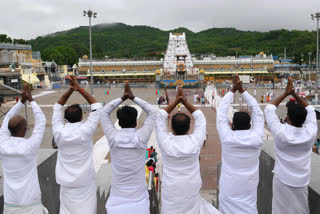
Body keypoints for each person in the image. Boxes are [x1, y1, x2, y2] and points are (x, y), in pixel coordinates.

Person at [156, 87, 220, 214]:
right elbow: (200, 117)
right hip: (190, 190)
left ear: (171, 128)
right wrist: (184, 102)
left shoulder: (166, 142)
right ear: (189, 127)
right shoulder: (195, 142)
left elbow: (160, 116)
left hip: (171, 191)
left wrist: (175, 102)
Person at [100, 82, 157, 214]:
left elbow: (103, 113)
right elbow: (153, 111)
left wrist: (122, 98)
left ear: (118, 123)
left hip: (116, 201)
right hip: (139, 201)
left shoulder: (113, 138)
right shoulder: (141, 138)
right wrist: (133, 97)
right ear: (136, 122)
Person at [264, 76, 317, 214]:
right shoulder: (310, 133)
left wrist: (286, 94)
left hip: (282, 179)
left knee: (279, 210)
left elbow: (269, 109)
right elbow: (311, 109)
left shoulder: (281, 132)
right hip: (301, 181)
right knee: (301, 210)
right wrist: (295, 95)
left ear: (287, 117)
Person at [52, 75, 102, 214]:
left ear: (65, 119)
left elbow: (57, 107)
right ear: (82, 117)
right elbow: (97, 106)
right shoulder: (86, 131)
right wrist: (79, 89)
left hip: (66, 184)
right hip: (85, 183)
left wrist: (69, 91)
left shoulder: (59, 132)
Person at [217, 74, 264, 214]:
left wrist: (233, 90)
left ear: (232, 125)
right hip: (248, 188)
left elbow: (221, 111)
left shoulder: (227, 138)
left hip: (229, 188)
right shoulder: (257, 138)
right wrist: (242, 90)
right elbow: (257, 111)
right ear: (250, 125)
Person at [0, 84, 48, 213]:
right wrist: (31, 100)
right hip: (31, 204)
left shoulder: (2, 144)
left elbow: (7, 119)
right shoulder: (29, 147)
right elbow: (41, 120)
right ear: (24, 129)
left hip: (10, 204)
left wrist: (21, 102)